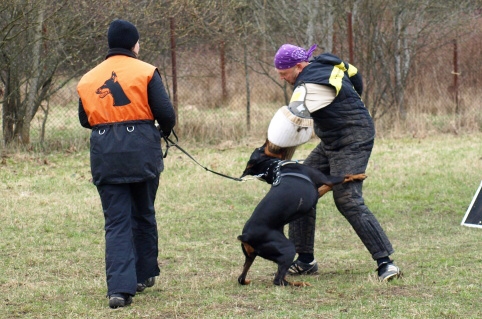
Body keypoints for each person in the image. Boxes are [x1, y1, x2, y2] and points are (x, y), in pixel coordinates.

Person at [273, 44, 401, 281]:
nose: (282, 78)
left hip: (353, 139)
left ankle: (386, 263)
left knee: (347, 198)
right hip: (332, 140)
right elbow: (356, 76)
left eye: (284, 73)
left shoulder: (308, 86)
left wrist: (272, 154)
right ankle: (305, 260)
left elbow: (292, 125)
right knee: (301, 187)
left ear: (299, 67)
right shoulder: (326, 66)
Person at [77, 19, 176, 308]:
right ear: (134, 44)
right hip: (142, 151)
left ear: (109, 44)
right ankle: (144, 275)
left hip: (105, 154)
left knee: (116, 222)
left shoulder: (88, 79)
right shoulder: (146, 71)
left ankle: (119, 290)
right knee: (143, 212)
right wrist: (161, 132)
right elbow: (166, 113)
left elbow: (86, 120)